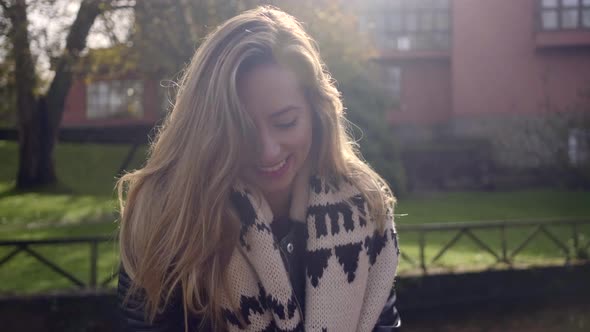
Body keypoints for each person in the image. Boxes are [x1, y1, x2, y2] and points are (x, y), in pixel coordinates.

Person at [117, 6, 401, 332]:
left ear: (317, 112)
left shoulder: (364, 208)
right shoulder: (166, 217)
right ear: (208, 128)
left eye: (285, 122)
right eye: (242, 130)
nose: (267, 151)